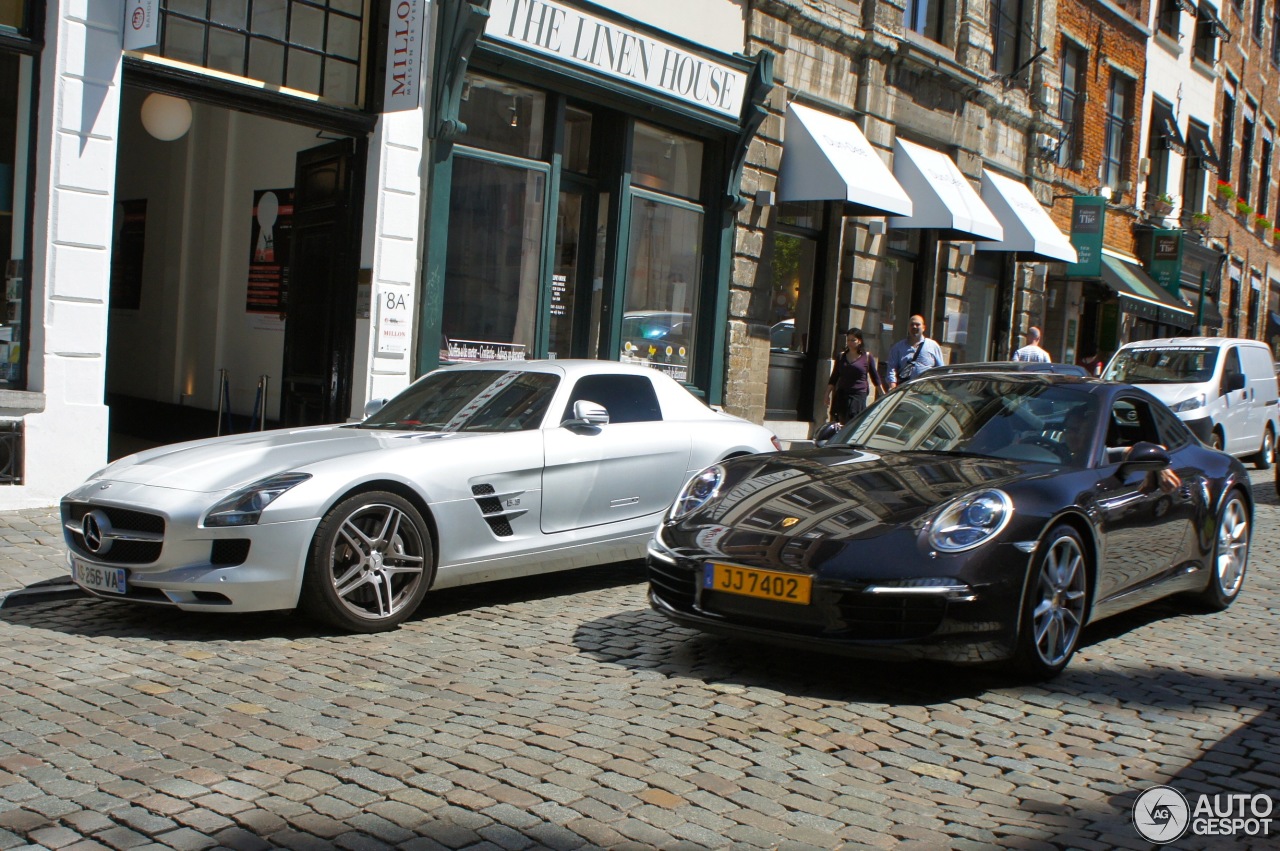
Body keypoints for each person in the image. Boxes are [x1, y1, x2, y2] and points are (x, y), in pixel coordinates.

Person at [825, 328, 884, 423]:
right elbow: (834, 377)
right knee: (841, 422)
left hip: (858, 395)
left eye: (853, 340)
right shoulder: (841, 356)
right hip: (843, 395)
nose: (850, 342)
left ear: (859, 341)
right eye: (848, 340)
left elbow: (875, 378)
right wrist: (827, 394)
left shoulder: (867, 357)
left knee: (854, 422)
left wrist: (882, 394)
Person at [886, 315, 945, 390]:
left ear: (923, 328)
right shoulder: (898, 348)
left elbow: (940, 370)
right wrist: (892, 386)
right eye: (912, 324)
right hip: (904, 391)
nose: (914, 327)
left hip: (926, 391)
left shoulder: (933, 346)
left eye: (917, 324)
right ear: (908, 327)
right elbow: (891, 369)